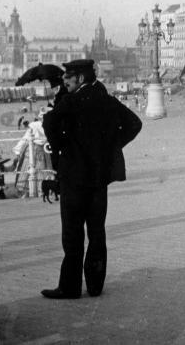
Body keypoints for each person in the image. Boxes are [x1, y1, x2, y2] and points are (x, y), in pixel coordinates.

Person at [41, 59, 142, 299]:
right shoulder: (106, 100)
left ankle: (70, 286)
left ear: (81, 79)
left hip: (74, 177)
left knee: (73, 233)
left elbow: (49, 122)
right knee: (97, 230)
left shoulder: (72, 101)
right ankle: (95, 285)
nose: (64, 81)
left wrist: (61, 148)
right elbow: (134, 124)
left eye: (68, 77)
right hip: (99, 178)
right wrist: (111, 148)